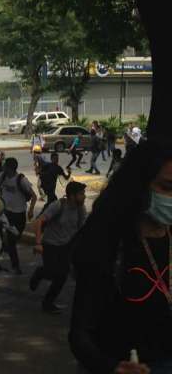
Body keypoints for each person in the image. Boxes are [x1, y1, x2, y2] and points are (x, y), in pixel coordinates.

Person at [69, 140, 172, 373]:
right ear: (139, 186)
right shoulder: (107, 243)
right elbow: (79, 335)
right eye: (166, 187)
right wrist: (112, 367)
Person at [31, 181, 87, 314]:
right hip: (50, 244)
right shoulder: (58, 205)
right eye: (81, 194)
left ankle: (48, 303)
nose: (84, 196)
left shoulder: (81, 209)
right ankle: (40, 273)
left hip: (67, 245)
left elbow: (82, 229)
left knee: (62, 275)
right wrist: (38, 243)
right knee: (51, 272)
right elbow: (39, 222)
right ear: (72, 196)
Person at [0, 157, 37, 274]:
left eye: (5, 166)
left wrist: (31, 210)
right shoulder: (2, 176)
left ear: (9, 168)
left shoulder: (21, 179)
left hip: (19, 214)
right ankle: (16, 266)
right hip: (7, 213)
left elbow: (33, 196)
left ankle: (5, 247)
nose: (2, 167)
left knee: (15, 238)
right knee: (12, 241)